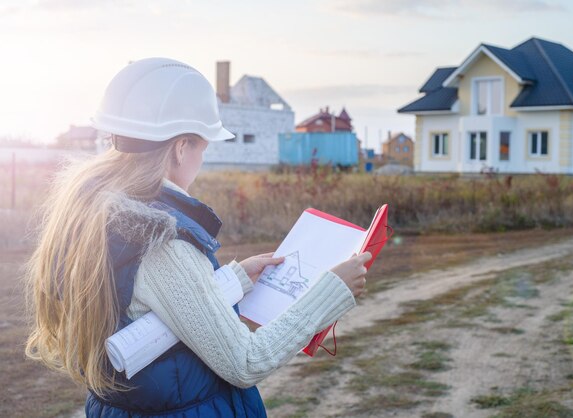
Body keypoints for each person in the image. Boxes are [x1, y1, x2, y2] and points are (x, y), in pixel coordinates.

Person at [25, 58, 371, 417]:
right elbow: (247, 361)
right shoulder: (161, 240)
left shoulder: (94, 211)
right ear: (180, 147)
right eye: (203, 147)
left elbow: (154, 308)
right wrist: (332, 289)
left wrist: (235, 279)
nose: (201, 159)